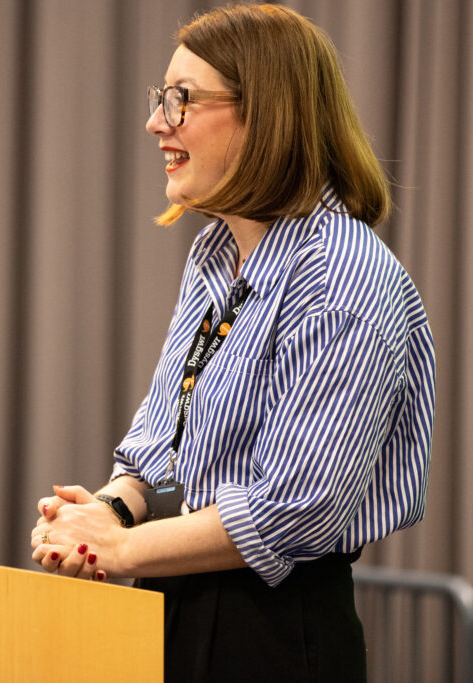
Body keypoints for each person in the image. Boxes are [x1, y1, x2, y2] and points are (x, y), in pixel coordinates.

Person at [29, 4, 434, 681]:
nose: (157, 122)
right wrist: (103, 512)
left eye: (181, 101)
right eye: (162, 99)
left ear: (267, 115)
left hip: (277, 628)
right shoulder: (216, 252)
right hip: (178, 590)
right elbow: (163, 439)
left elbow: (292, 507)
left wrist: (119, 550)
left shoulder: (342, 278)